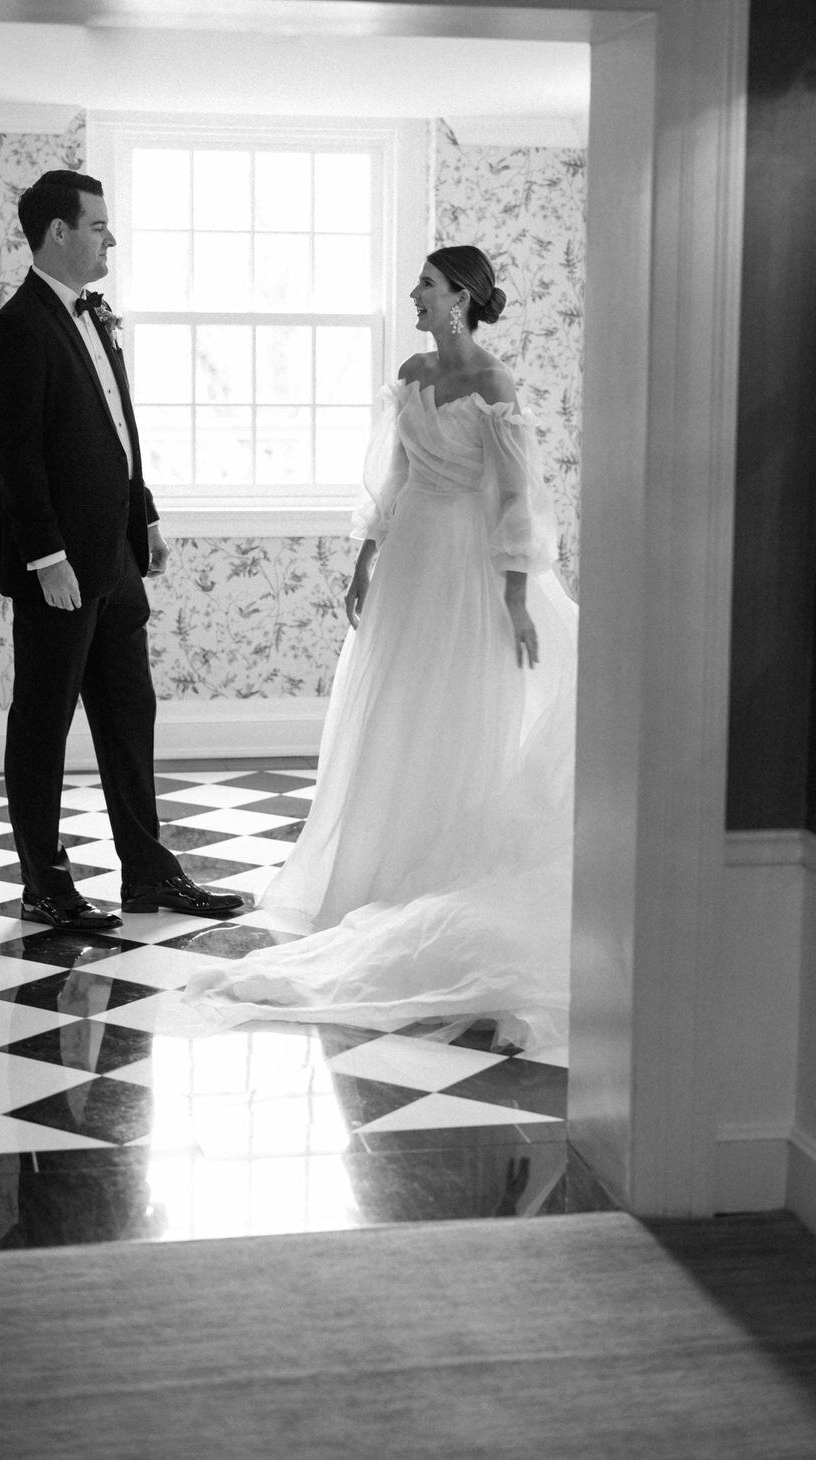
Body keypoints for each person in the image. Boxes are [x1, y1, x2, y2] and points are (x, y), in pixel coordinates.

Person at [175, 247, 577, 1058]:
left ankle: (433, 870)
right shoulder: (411, 370)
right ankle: (367, 874)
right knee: (392, 707)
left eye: (426, 286)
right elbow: (392, 473)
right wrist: (365, 559)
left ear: (460, 297)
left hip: (468, 566)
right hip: (410, 562)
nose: (414, 297)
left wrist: (511, 595)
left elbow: (516, 495)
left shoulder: (495, 386)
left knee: (456, 709)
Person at [0, 169, 242, 932]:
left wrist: (146, 517)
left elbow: (119, 430)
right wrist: (46, 558)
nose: (109, 240)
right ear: (58, 232)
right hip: (57, 568)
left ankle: (149, 873)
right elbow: (17, 455)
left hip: (117, 559)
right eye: (98, 227)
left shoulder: (93, 318)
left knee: (130, 713)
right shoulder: (17, 330)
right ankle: (45, 885)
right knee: (43, 721)